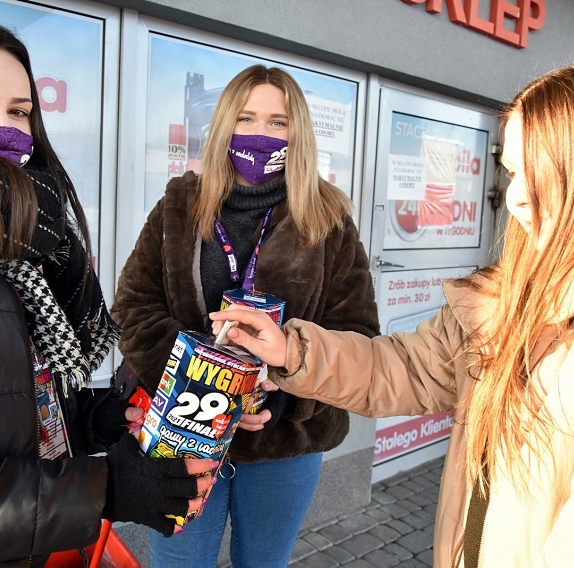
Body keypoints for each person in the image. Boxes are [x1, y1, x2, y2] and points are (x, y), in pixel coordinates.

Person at [212, 54, 574, 567]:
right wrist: (290, 350)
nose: (515, 199)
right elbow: (411, 366)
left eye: (534, 172)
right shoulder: (535, 275)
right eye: (511, 173)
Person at [0, 20, 214, 567]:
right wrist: (105, 490)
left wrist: (96, 419)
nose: (2, 127)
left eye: (20, 111)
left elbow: (0, 404)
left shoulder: (13, 240)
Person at [112, 64, 379, 567]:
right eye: (247, 117)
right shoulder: (179, 203)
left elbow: (357, 333)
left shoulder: (328, 216)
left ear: (298, 130)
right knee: (179, 563)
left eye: (278, 122)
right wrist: (203, 383)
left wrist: (286, 392)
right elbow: (132, 306)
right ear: (224, 126)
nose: (260, 134)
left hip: (284, 442)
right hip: (183, 431)